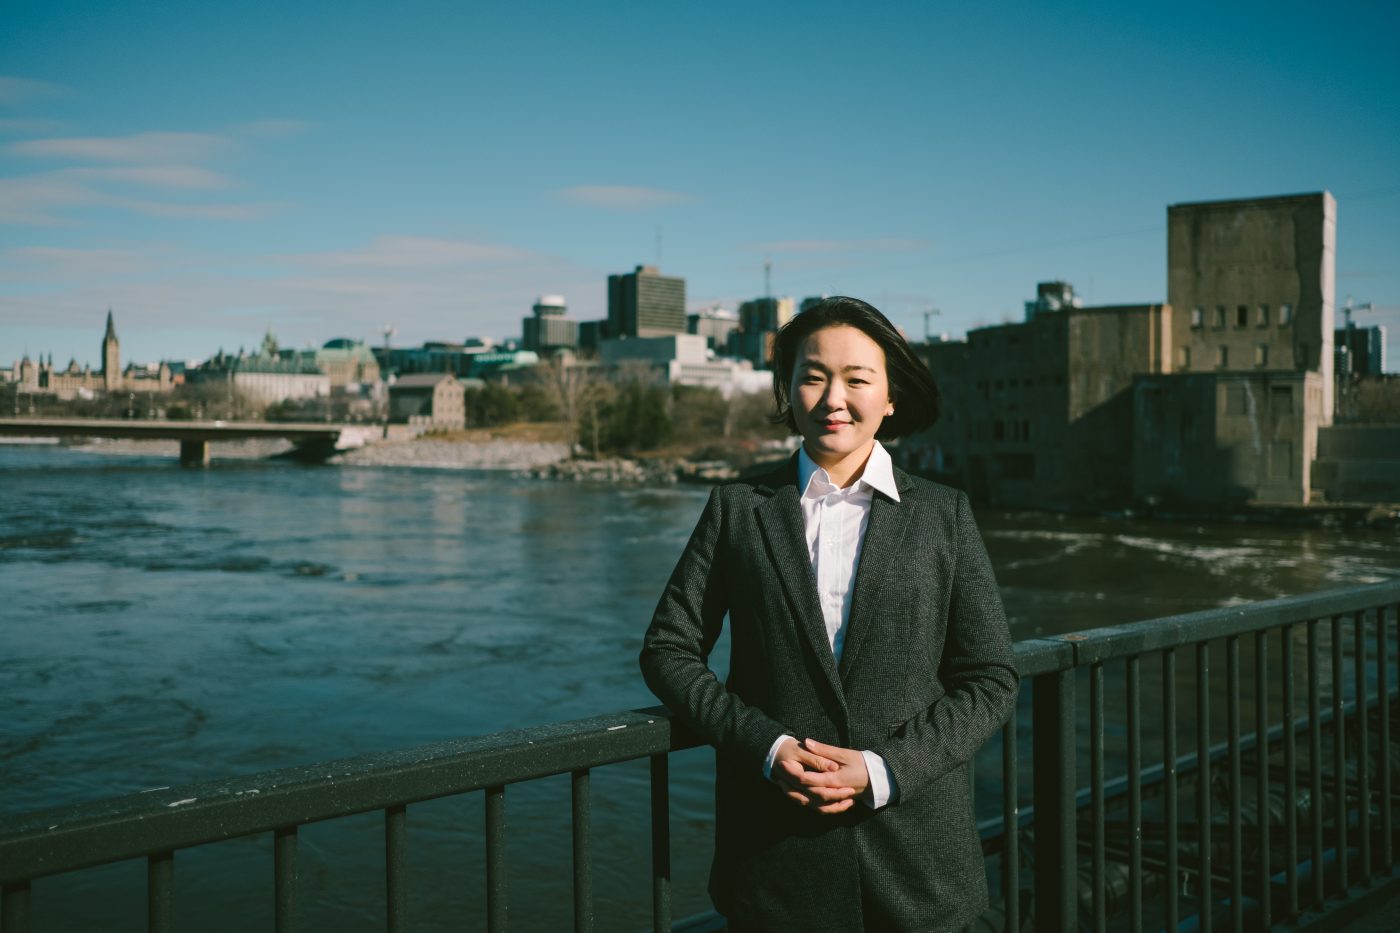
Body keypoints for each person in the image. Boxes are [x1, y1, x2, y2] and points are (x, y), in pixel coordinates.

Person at [639, 296, 1019, 932]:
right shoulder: (740, 507)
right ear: (787, 393)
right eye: (812, 376)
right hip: (775, 857)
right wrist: (766, 746)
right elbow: (668, 651)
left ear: (891, 397)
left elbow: (991, 678)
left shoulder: (943, 515)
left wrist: (885, 769)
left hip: (919, 863)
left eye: (857, 379)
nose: (832, 397)